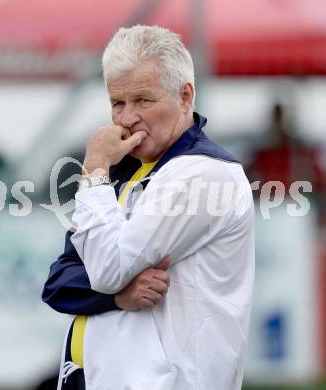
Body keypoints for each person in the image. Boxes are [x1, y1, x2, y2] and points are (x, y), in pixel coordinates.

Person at [42, 25, 255, 390]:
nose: (126, 118)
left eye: (143, 100)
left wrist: (93, 169)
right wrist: (117, 295)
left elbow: (106, 267)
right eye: (117, 103)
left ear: (185, 96)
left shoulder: (203, 172)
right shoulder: (126, 169)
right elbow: (60, 280)